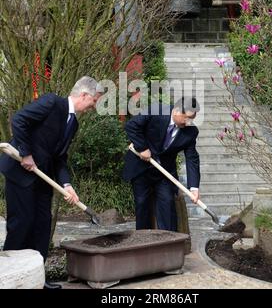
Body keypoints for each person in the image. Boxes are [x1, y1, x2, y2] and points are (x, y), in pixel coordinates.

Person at [0, 76, 102, 289]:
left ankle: (37, 278)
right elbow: (19, 120)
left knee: (43, 225)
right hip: (21, 174)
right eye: (94, 101)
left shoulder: (73, 123)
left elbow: (60, 158)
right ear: (84, 95)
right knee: (21, 223)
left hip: (43, 178)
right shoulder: (51, 103)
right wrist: (26, 154)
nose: (94, 106)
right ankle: (11, 278)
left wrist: (66, 185)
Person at [123, 96, 201, 232]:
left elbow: (192, 158)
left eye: (191, 119)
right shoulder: (157, 110)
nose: (188, 122)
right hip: (141, 169)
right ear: (177, 111)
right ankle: (143, 241)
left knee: (167, 203)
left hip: (164, 173)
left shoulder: (190, 132)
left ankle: (169, 242)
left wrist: (194, 187)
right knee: (142, 203)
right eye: (187, 117)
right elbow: (131, 125)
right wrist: (142, 148)